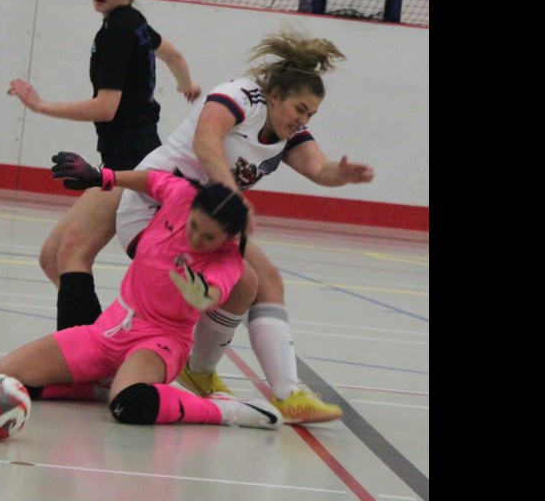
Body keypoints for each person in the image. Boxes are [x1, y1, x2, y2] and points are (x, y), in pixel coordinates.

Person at [49, 27, 375, 424]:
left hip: (204, 215)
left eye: (311, 114)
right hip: (156, 205)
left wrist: (339, 175)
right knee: (242, 282)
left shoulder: (289, 131)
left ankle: (263, 387)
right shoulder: (241, 96)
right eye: (300, 109)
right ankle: (145, 361)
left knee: (262, 281)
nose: (303, 120)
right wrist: (233, 199)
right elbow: (206, 142)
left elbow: (318, 168)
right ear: (274, 96)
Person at [7, 0, 224, 331]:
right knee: (52, 254)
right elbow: (173, 54)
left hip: (131, 161)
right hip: (137, 156)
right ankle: (104, 336)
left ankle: (88, 352)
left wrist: (41, 106)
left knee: (70, 251)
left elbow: (106, 108)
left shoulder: (117, 31)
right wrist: (187, 83)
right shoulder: (133, 22)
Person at [0, 151, 283, 431]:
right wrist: (103, 176)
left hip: (160, 342)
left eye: (208, 237)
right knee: (4, 377)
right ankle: (98, 387)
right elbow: (151, 179)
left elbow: (215, 293)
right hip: (109, 330)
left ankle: (223, 410)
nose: (194, 239)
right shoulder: (182, 194)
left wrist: (203, 297)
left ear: (228, 238)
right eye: (193, 226)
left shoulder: (228, 259)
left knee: (129, 403)